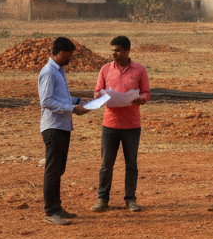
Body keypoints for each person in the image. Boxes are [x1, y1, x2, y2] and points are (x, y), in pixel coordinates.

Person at [91, 36, 150, 213]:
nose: (114, 54)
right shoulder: (105, 69)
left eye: (117, 50)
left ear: (127, 51)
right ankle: (102, 199)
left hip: (132, 125)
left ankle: (130, 199)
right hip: (110, 124)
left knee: (131, 164)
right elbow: (96, 92)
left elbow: (146, 92)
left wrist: (141, 99)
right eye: (113, 50)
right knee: (106, 164)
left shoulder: (140, 69)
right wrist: (101, 96)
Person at [38, 37, 90, 225]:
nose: (70, 58)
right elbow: (46, 101)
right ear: (60, 53)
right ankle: (51, 211)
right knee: (53, 170)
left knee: (58, 169)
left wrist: (78, 102)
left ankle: (57, 207)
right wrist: (72, 108)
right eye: (69, 54)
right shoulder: (49, 72)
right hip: (53, 127)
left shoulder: (58, 71)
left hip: (61, 125)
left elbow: (59, 97)